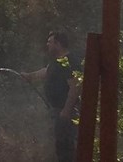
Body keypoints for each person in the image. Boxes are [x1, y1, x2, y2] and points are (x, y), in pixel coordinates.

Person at [21, 31, 82, 162]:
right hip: (57, 110)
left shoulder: (69, 61)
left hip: (66, 111)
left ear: (58, 44)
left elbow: (75, 87)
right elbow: (46, 72)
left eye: (50, 42)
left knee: (66, 146)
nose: (47, 45)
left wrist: (66, 111)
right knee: (59, 144)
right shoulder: (57, 61)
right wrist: (30, 76)